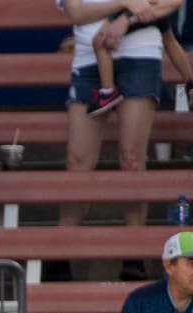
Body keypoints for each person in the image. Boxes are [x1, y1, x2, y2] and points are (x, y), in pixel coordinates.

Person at [53, 0, 182, 281]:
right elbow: (76, 12)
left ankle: (133, 254)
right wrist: (127, 3)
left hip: (141, 54)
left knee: (133, 157)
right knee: (77, 161)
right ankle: (61, 253)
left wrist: (124, 21)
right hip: (88, 57)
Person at [89, 10, 193, 115]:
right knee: (169, 38)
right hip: (150, 10)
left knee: (99, 41)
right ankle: (190, 80)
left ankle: (108, 91)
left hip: (136, 12)